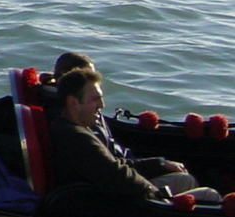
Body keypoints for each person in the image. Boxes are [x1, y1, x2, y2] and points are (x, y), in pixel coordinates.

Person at [46, 52, 210, 198]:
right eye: (95, 99)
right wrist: (158, 196)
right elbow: (117, 176)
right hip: (115, 202)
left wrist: (159, 164)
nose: (102, 105)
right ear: (73, 103)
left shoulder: (76, 127)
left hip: (117, 192)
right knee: (211, 195)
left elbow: (115, 165)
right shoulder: (77, 138)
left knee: (186, 180)